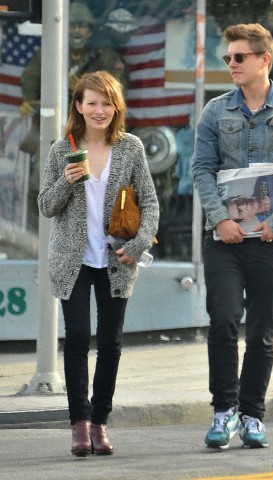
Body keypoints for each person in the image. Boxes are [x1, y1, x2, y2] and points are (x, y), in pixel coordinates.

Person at [192, 23, 273, 450]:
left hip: (272, 237)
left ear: (265, 58)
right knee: (224, 321)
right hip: (223, 238)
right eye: (227, 58)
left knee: (263, 331)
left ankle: (252, 416)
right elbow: (200, 169)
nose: (231, 64)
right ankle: (223, 411)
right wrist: (219, 218)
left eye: (239, 57)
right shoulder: (215, 111)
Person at [38, 70, 159, 457]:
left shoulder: (131, 148)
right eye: (92, 102)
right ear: (79, 106)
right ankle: (79, 423)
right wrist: (66, 181)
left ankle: (101, 421)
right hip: (72, 261)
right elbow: (45, 206)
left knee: (111, 343)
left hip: (116, 259)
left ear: (116, 107)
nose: (100, 110)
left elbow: (151, 203)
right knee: (76, 340)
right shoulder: (62, 150)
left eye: (107, 102)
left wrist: (138, 245)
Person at [20, 2, 129, 232]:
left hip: (97, 134)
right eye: (73, 26)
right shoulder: (52, 50)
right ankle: (35, 232)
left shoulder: (105, 56)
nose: (77, 31)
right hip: (56, 128)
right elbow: (30, 77)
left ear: (91, 30)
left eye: (82, 26)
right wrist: (30, 100)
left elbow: (119, 90)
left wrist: (87, 86)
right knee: (40, 179)